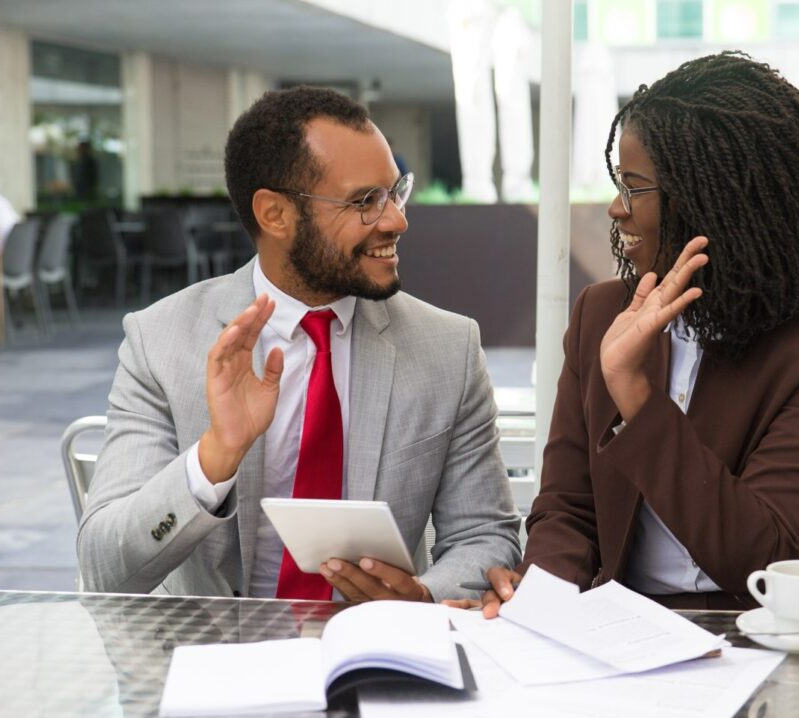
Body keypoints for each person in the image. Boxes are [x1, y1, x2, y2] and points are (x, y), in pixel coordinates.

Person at [461, 52, 799, 615]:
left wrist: (635, 393)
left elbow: (755, 552)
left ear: (714, 200)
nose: (616, 208)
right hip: (630, 629)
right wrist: (537, 608)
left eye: (634, 188)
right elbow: (568, 506)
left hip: (784, 634)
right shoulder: (600, 313)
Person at [77, 86, 521, 602]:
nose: (397, 219)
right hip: (212, 665)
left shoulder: (448, 348)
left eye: (396, 191)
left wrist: (420, 599)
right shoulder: (162, 340)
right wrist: (214, 456)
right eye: (364, 201)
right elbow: (106, 569)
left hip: (378, 661)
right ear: (275, 215)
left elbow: (484, 537)